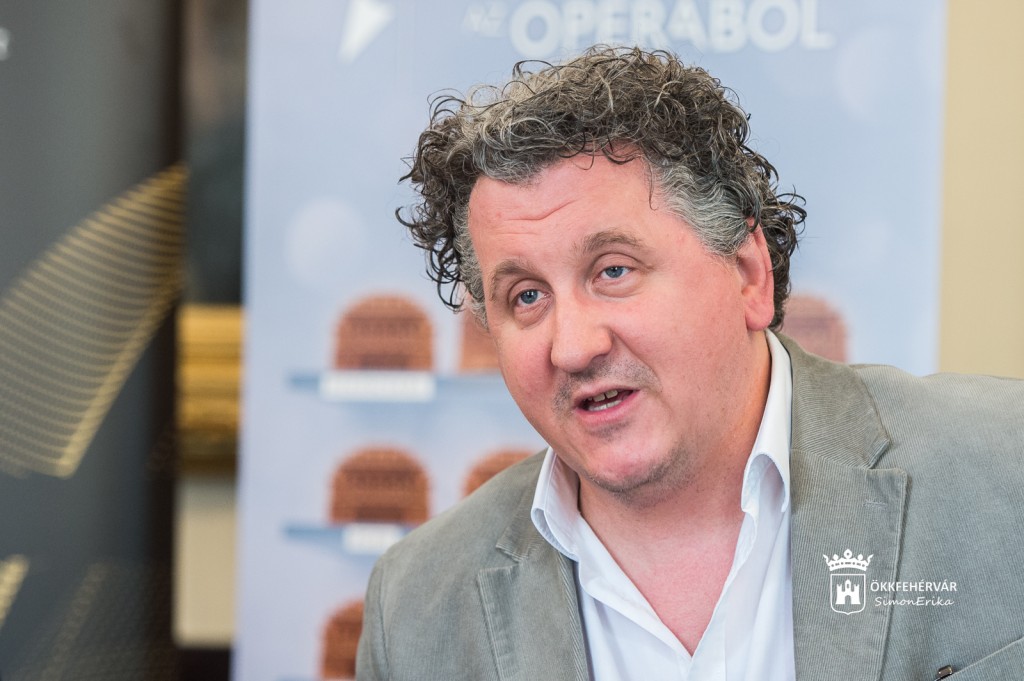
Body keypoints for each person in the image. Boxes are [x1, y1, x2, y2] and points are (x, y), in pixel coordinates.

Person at [356, 46, 1024, 680]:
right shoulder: (416, 606)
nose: (573, 346)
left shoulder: (1002, 466)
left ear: (748, 274)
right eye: (526, 296)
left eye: (613, 270)